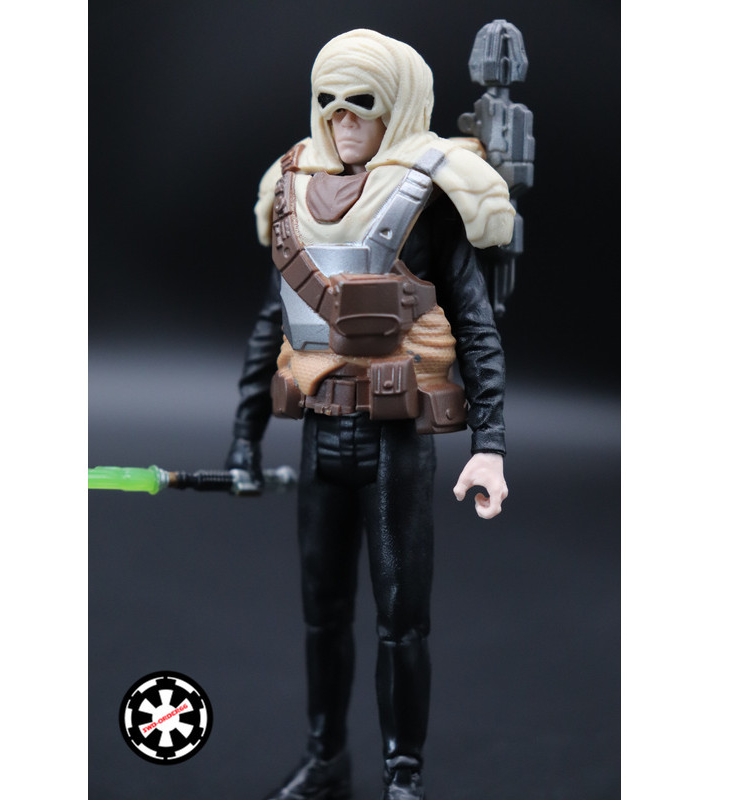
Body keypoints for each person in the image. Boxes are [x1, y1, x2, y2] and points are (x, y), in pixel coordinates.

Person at [225, 29, 514, 800]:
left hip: (396, 441)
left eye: (362, 102)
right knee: (321, 616)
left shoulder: (429, 197)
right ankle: (327, 760)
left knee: (401, 622)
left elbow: (476, 327)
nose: (342, 119)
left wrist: (490, 445)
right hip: (321, 433)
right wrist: (245, 437)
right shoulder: (291, 190)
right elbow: (275, 323)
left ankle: (402, 777)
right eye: (328, 102)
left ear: (398, 106)